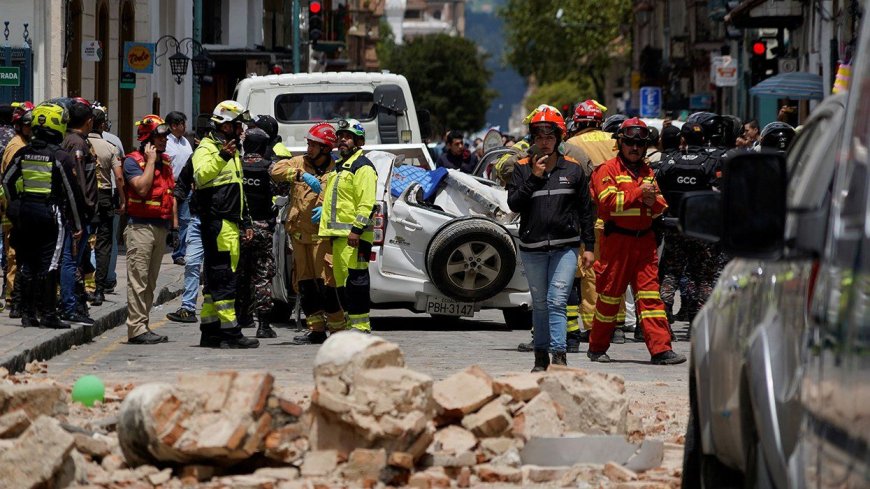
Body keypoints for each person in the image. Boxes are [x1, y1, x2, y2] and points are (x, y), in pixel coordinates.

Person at [588, 118, 686, 365]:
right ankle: (597, 347)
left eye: (639, 144)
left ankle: (661, 349)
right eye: (630, 142)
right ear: (620, 143)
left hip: (645, 243)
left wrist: (654, 203)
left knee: (651, 298)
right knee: (610, 297)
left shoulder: (647, 171)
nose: (635, 148)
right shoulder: (606, 170)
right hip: (617, 242)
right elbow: (607, 204)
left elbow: (659, 207)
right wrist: (639, 194)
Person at [507, 104, 595, 372]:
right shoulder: (521, 168)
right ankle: (540, 357)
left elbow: (585, 210)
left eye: (549, 136)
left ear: (559, 138)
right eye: (539, 136)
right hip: (532, 248)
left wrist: (588, 247)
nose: (544, 142)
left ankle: (559, 357)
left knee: (558, 300)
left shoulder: (574, 170)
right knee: (541, 303)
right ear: (533, 139)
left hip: (564, 247)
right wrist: (534, 178)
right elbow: (514, 204)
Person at [2, 102, 83, 329]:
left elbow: (7, 182)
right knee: (50, 264)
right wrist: (77, 224)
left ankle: (28, 314)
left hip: (26, 213)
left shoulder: (23, 152)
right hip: (51, 213)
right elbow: (71, 192)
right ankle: (48, 314)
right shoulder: (60, 157)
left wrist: (17, 203)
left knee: (27, 263)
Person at [191, 100, 259, 349]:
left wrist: (246, 221)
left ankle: (210, 331)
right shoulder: (208, 149)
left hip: (230, 221)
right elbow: (200, 176)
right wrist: (221, 156)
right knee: (224, 278)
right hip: (218, 222)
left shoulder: (231, 149)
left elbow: (237, 189)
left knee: (216, 280)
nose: (242, 130)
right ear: (227, 126)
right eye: (239, 125)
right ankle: (231, 334)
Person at [271, 122, 346, 344]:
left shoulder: (338, 170)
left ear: (326, 148)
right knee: (305, 285)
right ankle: (316, 330)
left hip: (323, 238)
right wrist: (300, 175)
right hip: (300, 238)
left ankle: (338, 332)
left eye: (314, 145)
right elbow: (275, 170)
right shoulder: (299, 163)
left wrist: (329, 207)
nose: (309, 148)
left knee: (328, 285)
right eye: (309, 144)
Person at [563, 100, 622, 347]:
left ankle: (592, 326)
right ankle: (617, 325)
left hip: (587, 214)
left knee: (590, 272)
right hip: (618, 212)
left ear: (577, 121)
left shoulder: (570, 145)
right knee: (615, 271)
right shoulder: (614, 141)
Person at [318, 118, 377, 333]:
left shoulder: (363, 168)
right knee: (344, 284)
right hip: (340, 236)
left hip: (354, 237)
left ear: (359, 141)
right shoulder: (341, 167)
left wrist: (356, 230)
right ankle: (351, 325)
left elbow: (367, 203)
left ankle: (361, 327)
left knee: (357, 282)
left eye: (348, 137)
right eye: (340, 136)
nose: (343, 140)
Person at [655, 123, 718, 325]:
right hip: (702, 229)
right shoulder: (711, 162)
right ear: (704, 140)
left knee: (671, 272)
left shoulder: (670, 162)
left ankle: (664, 314)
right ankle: (697, 323)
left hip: (675, 226)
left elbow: (658, 192)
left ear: (683, 140)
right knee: (703, 277)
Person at [122, 115, 178, 344]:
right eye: (160, 136)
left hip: (160, 228)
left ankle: (143, 325)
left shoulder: (165, 163)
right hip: (140, 228)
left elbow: (170, 195)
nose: (165, 140)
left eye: (165, 136)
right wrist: (152, 161)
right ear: (148, 139)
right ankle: (136, 329)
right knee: (139, 280)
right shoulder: (132, 162)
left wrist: (175, 228)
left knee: (151, 282)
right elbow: (143, 189)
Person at [236, 128, 279, 339]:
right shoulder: (269, 167)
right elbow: (283, 190)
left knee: (240, 273)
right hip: (262, 228)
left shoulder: (236, 165)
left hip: (239, 229)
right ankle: (263, 325)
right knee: (262, 276)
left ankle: (241, 317)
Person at [60, 98, 98, 325]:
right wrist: (86, 211)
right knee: (70, 260)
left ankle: (73, 302)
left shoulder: (72, 141)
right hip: (78, 213)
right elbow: (80, 183)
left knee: (73, 260)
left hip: (77, 212)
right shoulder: (77, 145)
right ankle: (69, 305)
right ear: (88, 121)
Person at [1, 101, 34, 317]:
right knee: (14, 252)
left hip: (14, 206)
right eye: (28, 125)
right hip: (12, 207)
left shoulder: (22, 143)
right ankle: (13, 295)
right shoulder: (17, 147)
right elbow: (12, 179)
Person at [88, 103, 121, 306]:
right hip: (105, 196)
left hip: (84, 197)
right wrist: (123, 200)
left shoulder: (76, 144)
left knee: (81, 242)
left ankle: (83, 286)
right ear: (101, 125)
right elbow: (119, 176)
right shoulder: (111, 145)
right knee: (104, 244)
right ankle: (99, 288)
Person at [165, 148, 203, 325]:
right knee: (192, 262)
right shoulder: (196, 156)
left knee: (217, 267)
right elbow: (181, 186)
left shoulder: (232, 157)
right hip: (197, 220)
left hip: (221, 222)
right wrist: (174, 224)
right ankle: (188, 308)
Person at [164, 111, 193, 266]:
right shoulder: (166, 142)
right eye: (183, 123)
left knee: (185, 220)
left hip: (186, 185)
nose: (185, 127)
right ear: (174, 125)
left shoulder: (185, 142)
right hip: (171, 185)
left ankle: (179, 253)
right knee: (169, 221)